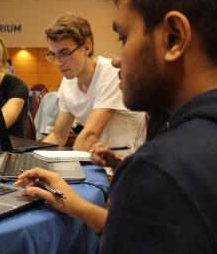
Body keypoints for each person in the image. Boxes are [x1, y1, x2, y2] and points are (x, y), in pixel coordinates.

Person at [16, 0, 217, 252]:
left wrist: (142, 174)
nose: (118, 59)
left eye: (123, 37)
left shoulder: (158, 171)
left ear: (174, 37)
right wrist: (79, 205)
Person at [42, 12, 145, 155]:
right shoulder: (68, 83)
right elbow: (58, 136)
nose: (58, 63)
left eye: (65, 53)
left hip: (130, 161)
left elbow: (90, 134)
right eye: (53, 55)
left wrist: (70, 166)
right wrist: (33, 160)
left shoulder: (111, 72)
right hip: (100, 161)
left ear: (87, 48)